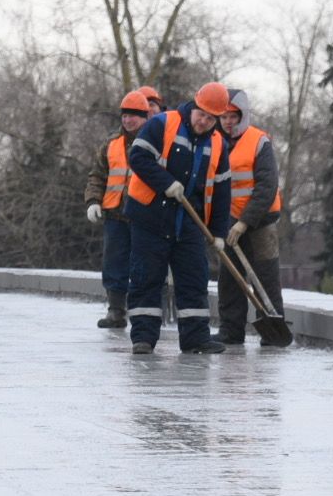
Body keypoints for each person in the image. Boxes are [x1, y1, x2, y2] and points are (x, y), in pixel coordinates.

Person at [123, 81, 234, 355]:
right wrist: (166, 183)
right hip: (150, 216)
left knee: (194, 279)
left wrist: (219, 233)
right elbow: (137, 157)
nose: (204, 121)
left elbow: (221, 191)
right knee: (146, 278)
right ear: (194, 105)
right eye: (201, 114)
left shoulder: (218, 145)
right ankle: (143, 338)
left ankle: (196, 339)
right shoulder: (163, 124)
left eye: (211, 118)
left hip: (189, 222)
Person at [217, 88, 286, 346]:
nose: (227, 121)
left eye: (232, 116)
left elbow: (266, 187)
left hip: (259, 223)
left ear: (242, 115)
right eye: (223, 117)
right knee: (230, 278)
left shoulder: (259, 142)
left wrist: (245, 221)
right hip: (228, 223)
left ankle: (272, 329)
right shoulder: (214, 142)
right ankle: (230, 331)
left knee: (265, 277)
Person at [84, 91, 151, 329]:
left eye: (133, 116)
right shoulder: (111, 144)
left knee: (144, 265)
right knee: (113, 263)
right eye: (125, 115)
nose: (128, 120)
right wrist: (93, 201)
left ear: (145, 117)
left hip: (145, 216)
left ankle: (144, 312)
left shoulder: (156, 142)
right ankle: (116, 311)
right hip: (114, 215)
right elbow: (97, 176)